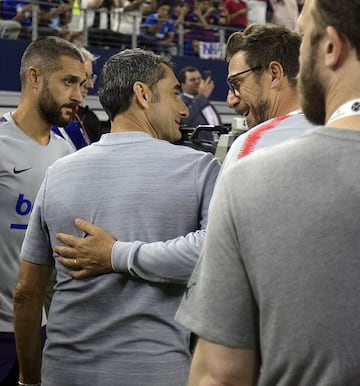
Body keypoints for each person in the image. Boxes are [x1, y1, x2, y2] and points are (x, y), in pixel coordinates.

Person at [175, 0, 360, 384]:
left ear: (330, 46)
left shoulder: (250, 162)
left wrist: (120, 254)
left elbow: (220, 373)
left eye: (305, 36)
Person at [13, 48, 220, 386]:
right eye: (174, 93)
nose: (183, 109)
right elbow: (217, 258)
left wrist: (29, 380)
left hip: (64, 373)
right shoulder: (199, 169)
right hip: (155, 374)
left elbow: (26, 292)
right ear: (142, 94)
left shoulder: (58, 172)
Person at [0, 36, 85, 386]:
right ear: (34, 77)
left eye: (81, 84)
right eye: (69, 82)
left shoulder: (68, 154)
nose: (79, 95)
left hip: (42, 328)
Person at [220, 23, 313, 171]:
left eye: (237, 83)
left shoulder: (250, 147)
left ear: (274, 74)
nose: (234, 97)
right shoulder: (344, 132)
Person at [52, 45, 108, 149]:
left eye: (91, 77)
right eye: (85, 77)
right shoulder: (43, 123)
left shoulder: (88, 119)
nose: (90, 85)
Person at [178, 65, 222, 139]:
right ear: (183, 85)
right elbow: (184, 120)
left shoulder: (205, 101)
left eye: (199, 78)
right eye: (192, 80)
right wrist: (202, 96)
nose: (197, 82)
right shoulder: (179, 101)